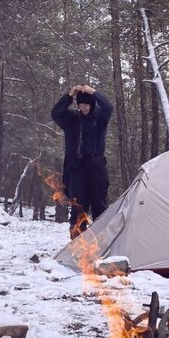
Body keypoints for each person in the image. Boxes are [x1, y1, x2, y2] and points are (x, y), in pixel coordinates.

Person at [51, 84, 113, 238]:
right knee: (78, 206)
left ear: (92, 105)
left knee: (99, 206)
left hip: (96, 167)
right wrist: (70, 96)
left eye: (86, 104)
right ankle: (77, 242)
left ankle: (102, 242)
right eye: (81, 105)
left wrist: (94, 92)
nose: (84, 108)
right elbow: (56, 113)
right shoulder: (72, 120)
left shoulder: (100, 119)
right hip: (77, 169)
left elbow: (109, 107)